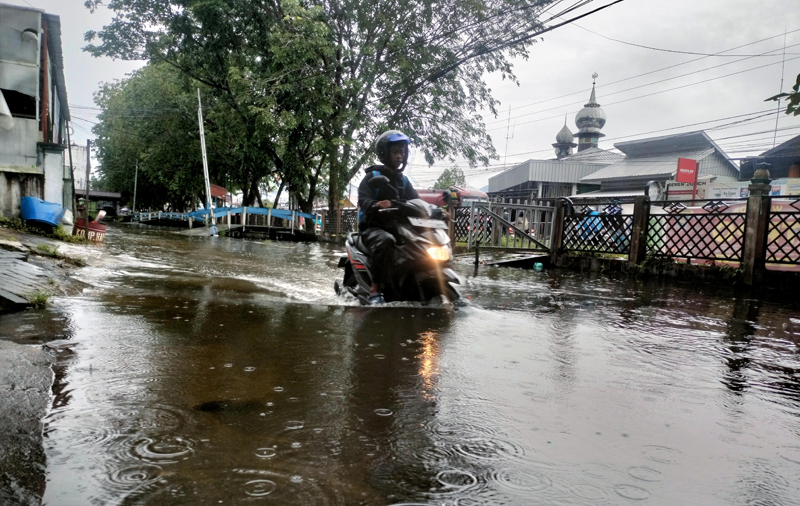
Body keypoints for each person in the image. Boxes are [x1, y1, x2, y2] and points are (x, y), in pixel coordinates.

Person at [357, 130, 420, 305]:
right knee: (386, 241)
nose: (399, 156)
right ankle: (374, 290)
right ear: (384, 152)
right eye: (395, 152)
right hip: (373, 229)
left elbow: (417, 201)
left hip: (397, 228)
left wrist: (435, 211)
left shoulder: (404, 181)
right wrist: (376, 205)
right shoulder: (373, 177)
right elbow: (364, 200)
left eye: (402, 152)